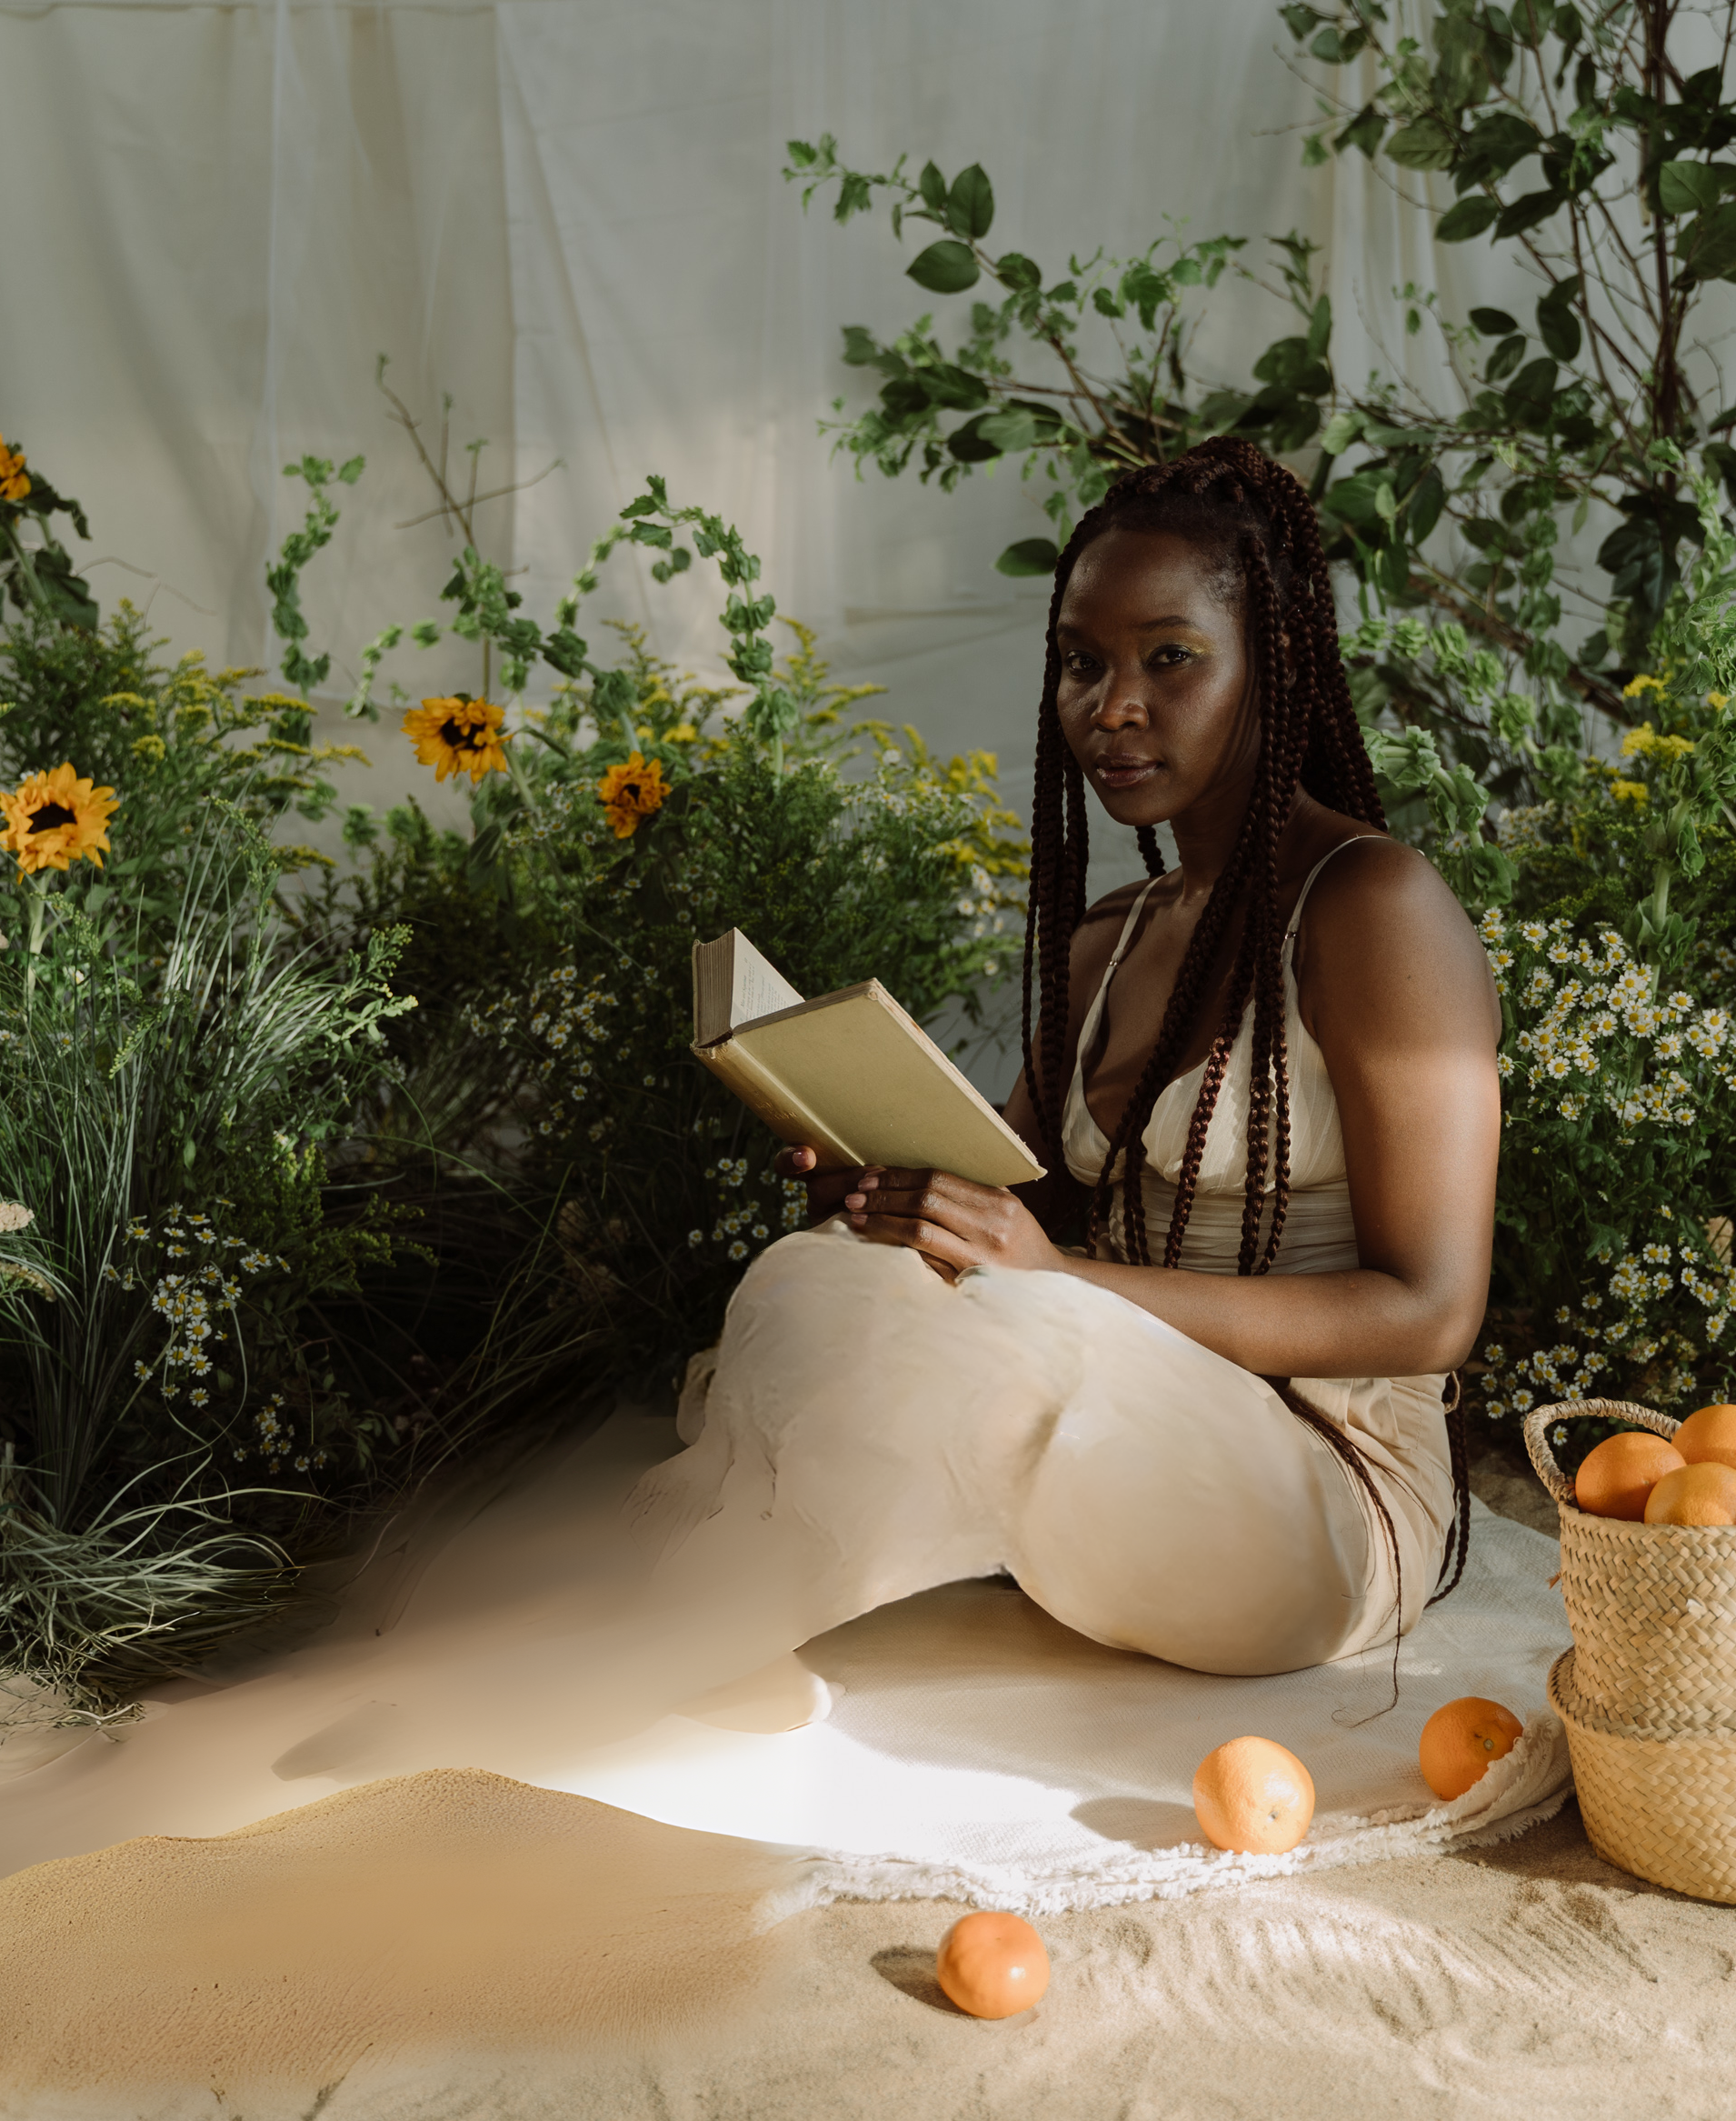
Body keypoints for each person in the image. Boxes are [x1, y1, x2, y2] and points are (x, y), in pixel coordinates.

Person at [627, 436, 1502, 1679]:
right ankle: (685, 1633)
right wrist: (893, 1195)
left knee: (990, 1337)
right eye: (1082, 664)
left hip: (1326, 1488)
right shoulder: (1113, 940)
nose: (1114, 705)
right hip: (1124, 1421)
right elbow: (1019, 1209)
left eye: (1171, 658)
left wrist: (1054, 1277)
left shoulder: (1373, 906)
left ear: (1278, 664)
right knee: (820, 1273)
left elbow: (1432, 1313)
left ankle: (663, 1656)